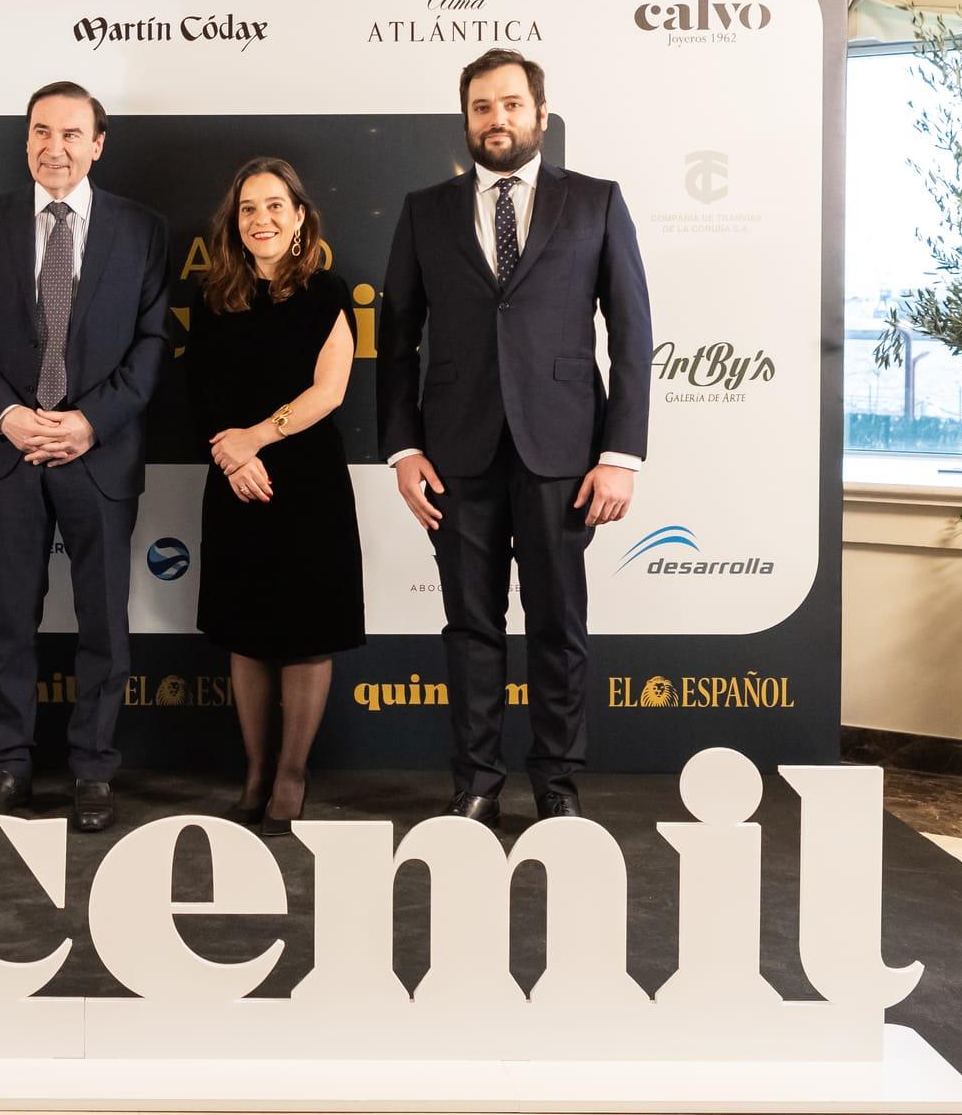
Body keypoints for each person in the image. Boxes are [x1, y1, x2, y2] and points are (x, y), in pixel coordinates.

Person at [377, 48, 652, 827]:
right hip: (454, 456)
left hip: (565, 455)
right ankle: (475, 782)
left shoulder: (596, 203)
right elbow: (395, 338)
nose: (496, 120)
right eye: (480, 108)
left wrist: (620, 455)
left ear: (539, 113)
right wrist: (402, 450)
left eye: (510, 105)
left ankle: (558, 783)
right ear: (466, 120)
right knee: (471, 628)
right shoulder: (425, 209)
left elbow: (632, 332)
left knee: (559, 626)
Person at [0, 81, 170, 831]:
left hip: (97, 455)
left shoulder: (143, 229)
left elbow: (150, 346)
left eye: (73, 134)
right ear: (27, 139)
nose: (56, 147)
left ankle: (94, 774)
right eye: (42, 131)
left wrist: (87, 423)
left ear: (98, 144)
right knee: (10, 621)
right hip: (8, 451)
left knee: (103, 623)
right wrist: (10, 416)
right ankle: (10, 765)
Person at [184, 157, 364, 836]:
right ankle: (255, 772)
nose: (260, 219)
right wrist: (233, 460)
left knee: (306, 634)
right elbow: (199, 395)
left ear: (298, 220)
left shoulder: (326, 292)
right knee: (246, 632)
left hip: (306, 480)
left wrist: (256, 439)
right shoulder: (211, 297)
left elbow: (330, 390)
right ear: (235, 224)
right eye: (248, 209)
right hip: (235, 480)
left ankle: (291, 775)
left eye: (274, 207)